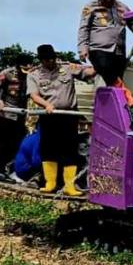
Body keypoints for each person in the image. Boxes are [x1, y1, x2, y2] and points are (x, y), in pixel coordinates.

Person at [27, 44, 95, 196]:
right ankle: (50, 183)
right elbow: (34, 95)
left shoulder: (67, 68)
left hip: (68, 115)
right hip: (49, 116)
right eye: (47, 60)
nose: (51, 61)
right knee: (49, 149)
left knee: (69, 150)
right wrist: (46, 104)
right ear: (41, 60)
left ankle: (69, 186)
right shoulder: (34, 74)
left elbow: (90, 72)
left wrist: (93, 62)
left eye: (52, 58)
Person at [77, 0, 133, 105]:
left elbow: (132, 22)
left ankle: (117, 106)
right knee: (104, 67)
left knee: (113, 77)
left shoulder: (122, 7)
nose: (108, 1)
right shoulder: (90, 7)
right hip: (98, 48)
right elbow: (84, 28)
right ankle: (125, 92)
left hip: (118, 49)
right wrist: (83, 48)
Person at [0, 52, 34, 181]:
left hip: (21, 114)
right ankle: (0, 171)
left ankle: (14, 170)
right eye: (24, 67)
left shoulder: (33, 74)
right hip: (6, 114)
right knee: (4, 144)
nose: (26, 70)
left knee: (18, 143)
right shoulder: (7, 73)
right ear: (18, 66)